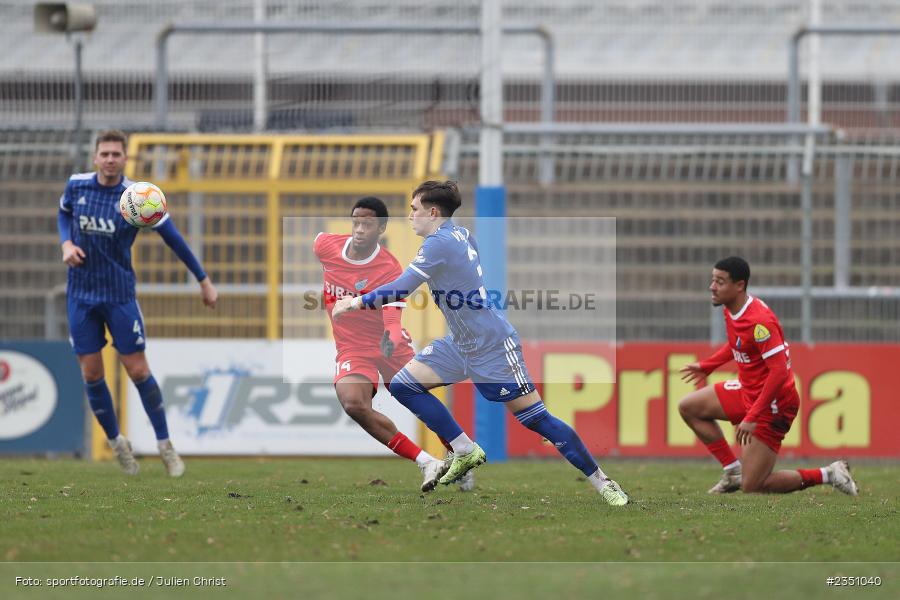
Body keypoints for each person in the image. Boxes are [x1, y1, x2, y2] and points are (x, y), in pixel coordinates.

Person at [332, 180, 629, 506]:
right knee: (404, 385)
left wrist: (355, 303)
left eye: (414, 209)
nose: (410, 216)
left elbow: (402, 288)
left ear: (432, 212)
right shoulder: (458, 234)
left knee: (537, 420)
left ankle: (603, 483)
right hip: (460, 343)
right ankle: (464, 449)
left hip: (492, 345)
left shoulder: (438, 244)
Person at [57, 129, 217, 477]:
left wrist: (202, 279)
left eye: (117, 154)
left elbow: (174, 239)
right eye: (105, 154)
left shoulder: (137, 197)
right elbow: (64, 214)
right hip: (81, 295)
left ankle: (165, 445)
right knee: (91, 373)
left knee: (139, 370)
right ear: (95, 157)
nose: (111, 159)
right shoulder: (77, 186)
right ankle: (118, 444)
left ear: (125, 158)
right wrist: (66, 244)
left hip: (119, 295)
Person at [315, 196, 471, 492]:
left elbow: (392, 315)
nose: (360, 229)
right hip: (352, 347)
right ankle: (427, 462)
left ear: (381, 228)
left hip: (390, 345)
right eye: (356, 222)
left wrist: (391, 336)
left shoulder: (388, 267)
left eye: (368, 224)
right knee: (352, 404)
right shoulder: (325, 245)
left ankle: (460, 455)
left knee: (419, 400)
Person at [678, 256, 858, 496]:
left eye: (720, 282)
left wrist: (753, 415)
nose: (712, 287)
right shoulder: (732, 309)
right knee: (689, 407)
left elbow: (779, 371)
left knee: (754, 486)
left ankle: (830, 473)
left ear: (739, 285)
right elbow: (738, 343)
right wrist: (708, 365)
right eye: (713, 280)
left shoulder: (759, 322)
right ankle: (733, 472)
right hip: (748, 391)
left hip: (773, 404)